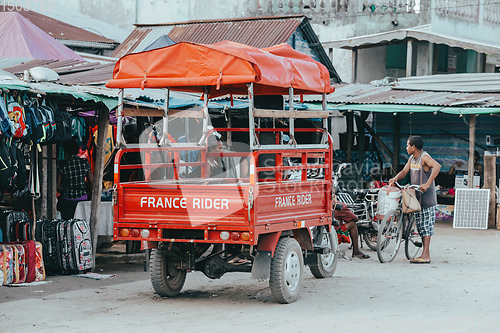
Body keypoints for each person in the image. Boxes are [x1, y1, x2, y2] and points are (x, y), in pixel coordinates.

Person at [388, 135, 441, 264]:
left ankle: (426, 255)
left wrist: (427, 184)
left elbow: (437, 166)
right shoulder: (412, 158)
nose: (406, 148)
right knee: (421, 227)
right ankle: (423, 252)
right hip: (416, 198)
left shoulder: (424, 157)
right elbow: (404, 172)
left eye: (407, 145)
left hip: (427, 199)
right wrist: (395, 178)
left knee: (426, 227)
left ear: (413, 147)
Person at [57, 139, 94, 220]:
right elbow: (91, 182)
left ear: (66, 150)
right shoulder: (84, 163)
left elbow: (58, 186)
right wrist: (90, 197)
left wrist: (64, 191)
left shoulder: (62, 164)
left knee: (67, 224)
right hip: (82, 199)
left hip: (67, 200)